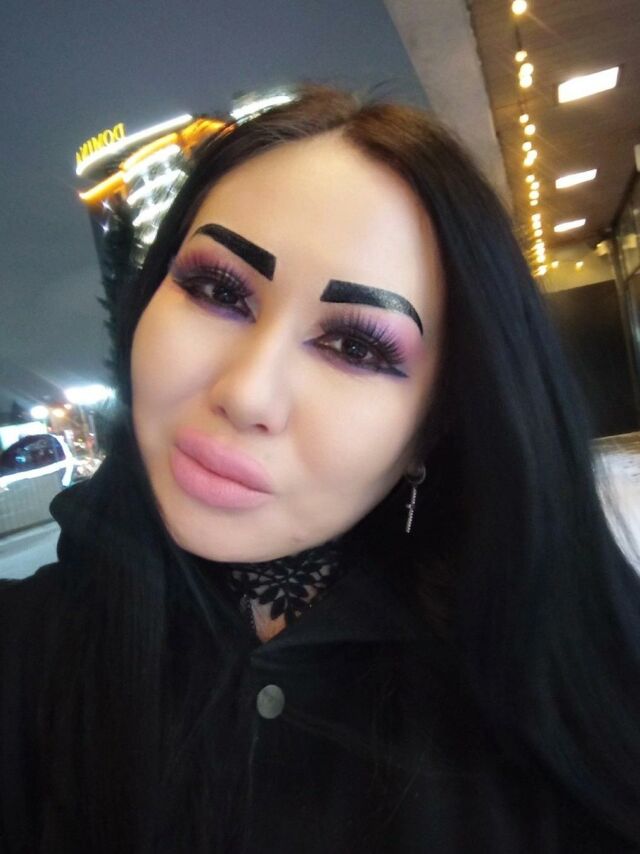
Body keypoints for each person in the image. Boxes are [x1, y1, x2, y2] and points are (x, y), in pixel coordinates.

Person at [1, 85, 639, 853]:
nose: (246, 393)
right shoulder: (29, 651)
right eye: (216, 290)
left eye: (355, 347)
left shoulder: (562, 693)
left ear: (434, 425)